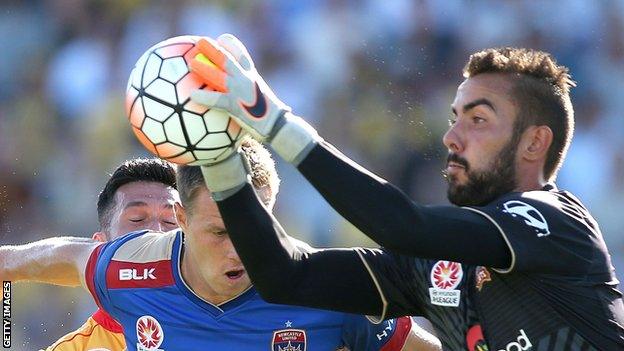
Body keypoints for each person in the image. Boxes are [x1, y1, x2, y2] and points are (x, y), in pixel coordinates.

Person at [189, 34, 624, 350]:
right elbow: (285, 276)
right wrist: (218, 158)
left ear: (534, 143)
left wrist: (272, 121)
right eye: (454, 117)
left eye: (477, 119)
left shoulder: (553, 220)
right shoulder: (434, 266)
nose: (451, 137)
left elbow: (401, 225)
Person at [2, 141, 441, 350]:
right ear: (181, 221)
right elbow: (33, 261)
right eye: (219, 232)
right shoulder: (129, 271)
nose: (241, 250)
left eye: (257, 229)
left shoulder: (327, 288)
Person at [1, 158, 180, 351]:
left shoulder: (216, 322)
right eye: (137, 219)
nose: (156, 233)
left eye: (171, 221)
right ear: (100, 246)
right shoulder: (76, 348)